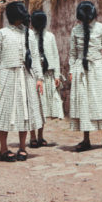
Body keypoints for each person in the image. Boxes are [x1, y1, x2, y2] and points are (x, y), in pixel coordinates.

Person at [0, 1, 44, 162]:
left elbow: (36, 57)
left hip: (26, 76)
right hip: (6, 76)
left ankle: (23, 147)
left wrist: (39, 78)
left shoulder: (29, 34)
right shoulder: (2, 33)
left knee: (25, 113)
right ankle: (3, 149)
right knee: (4, 112)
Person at [69, 1, 102, 152]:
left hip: (98, 69)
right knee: (84, 104)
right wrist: (71, 71)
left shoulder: (101, 28)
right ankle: (86, 139)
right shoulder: (75, 30)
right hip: (81, 71)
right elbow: (72, 53)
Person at [29, 10, 63, 148]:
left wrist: (57, 75)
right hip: (34, 77)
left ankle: (40, 136)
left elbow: (55, 56)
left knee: (43, 108)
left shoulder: (50, 37)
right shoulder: (29, 37)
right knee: (33, 106)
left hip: (48, 76)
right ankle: (32, 136)